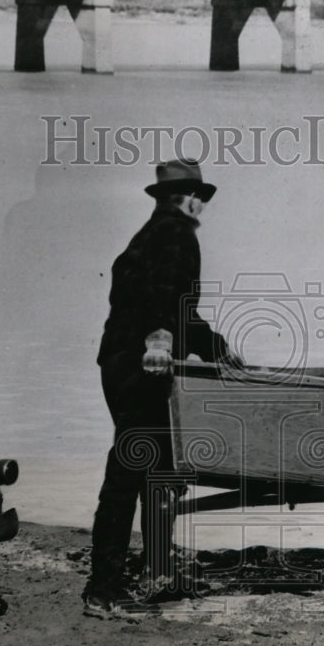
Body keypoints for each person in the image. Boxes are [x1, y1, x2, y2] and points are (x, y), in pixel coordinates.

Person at [83, 159, 240, 616]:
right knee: (131, 471)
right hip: (143, 365)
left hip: (122, 363)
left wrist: (214, 346)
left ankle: (157, 574)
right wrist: (158, 340)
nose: (203, 209)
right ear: (190, 198)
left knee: (157, 471)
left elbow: (178, 312)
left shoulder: (147, 235)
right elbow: (163, 295)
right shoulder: (177, 234)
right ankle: (103, 590)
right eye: (202, 201)